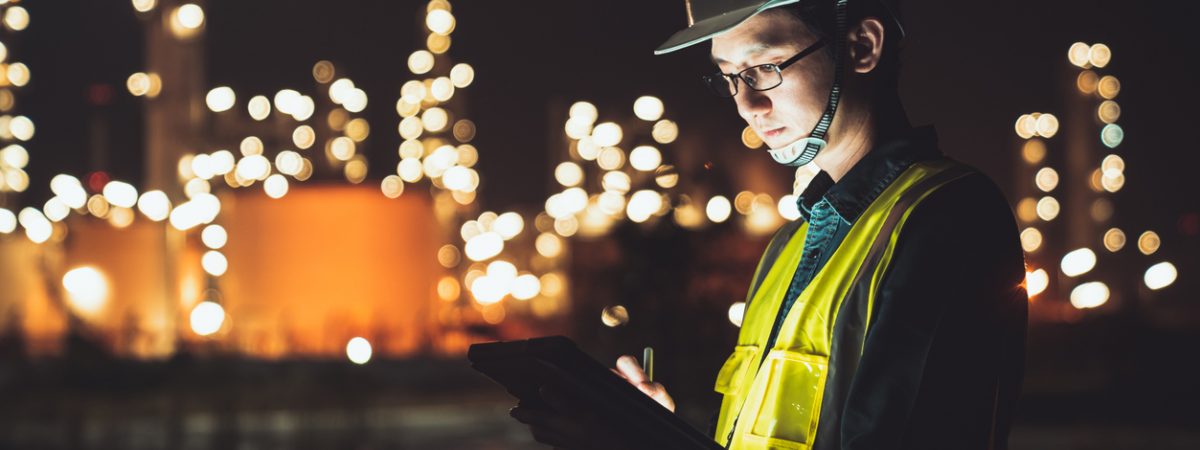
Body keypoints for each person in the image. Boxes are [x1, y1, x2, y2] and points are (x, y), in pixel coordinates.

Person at [511, 1, 1028, 448]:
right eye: (729, 77)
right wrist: (649, 430)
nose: (747, 104)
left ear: (862, 46)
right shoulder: (790, 243)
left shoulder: (947, 218)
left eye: (765, 66)